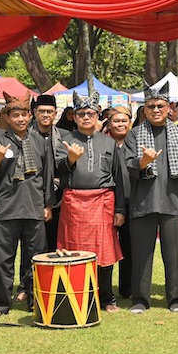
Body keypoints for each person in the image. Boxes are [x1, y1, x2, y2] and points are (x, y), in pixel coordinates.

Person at [124, 83, 178, 313]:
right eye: (151, 106)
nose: (155, 110)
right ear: (144, 109)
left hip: (174, 202)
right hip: (143, 202)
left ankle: (175, 300)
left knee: (174, 256)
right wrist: (142, 162)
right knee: (142, 255)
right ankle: (141, 300)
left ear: (169, 108)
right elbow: (128, 166)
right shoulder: (134, 135)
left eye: (160, 106)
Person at [56, 93, 127, 313]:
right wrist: (70, 160)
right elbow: (57, 170)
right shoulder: (64, 140)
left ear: (98, 116)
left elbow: (120, 177)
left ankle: (106, 297)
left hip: (103, 201)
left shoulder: (108, 141)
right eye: (81, 114)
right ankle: (78, 292)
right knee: (74, 250)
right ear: (74, 116)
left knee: (103, 250)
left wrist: (120, 209)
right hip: (74, 202)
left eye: (90, 113)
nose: (86, 117)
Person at [0, 91, 53, 318]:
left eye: (24, 115)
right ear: (7, 117)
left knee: (34, 257)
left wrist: (48, 205)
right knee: (3, 259)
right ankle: (2, 303)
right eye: (16, 115)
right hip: (6, 207)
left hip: (34, 206)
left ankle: (34, 299)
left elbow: (48, 174)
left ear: (30, 116)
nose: (21, 119)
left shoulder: (39, 141)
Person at [106, 106, 137, 298]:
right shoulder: (103, 143)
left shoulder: (135, 143)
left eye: (124, 120)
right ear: (109, 123)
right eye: (116, 121)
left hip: (131, 202)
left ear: (130, 122)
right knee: (106, 247)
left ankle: (128, 288)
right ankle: (104, 288)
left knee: (129, 247)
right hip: (106, 202)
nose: (120, 124)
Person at [31, 94, 62, 252]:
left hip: (59, 200)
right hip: (32, 199)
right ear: (35, 112)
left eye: (49, 111)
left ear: (55, 113)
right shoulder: (26, 137)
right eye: (42, 111)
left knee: (55, 246)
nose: (45, 115)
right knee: (34, 249)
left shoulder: (63, 137)